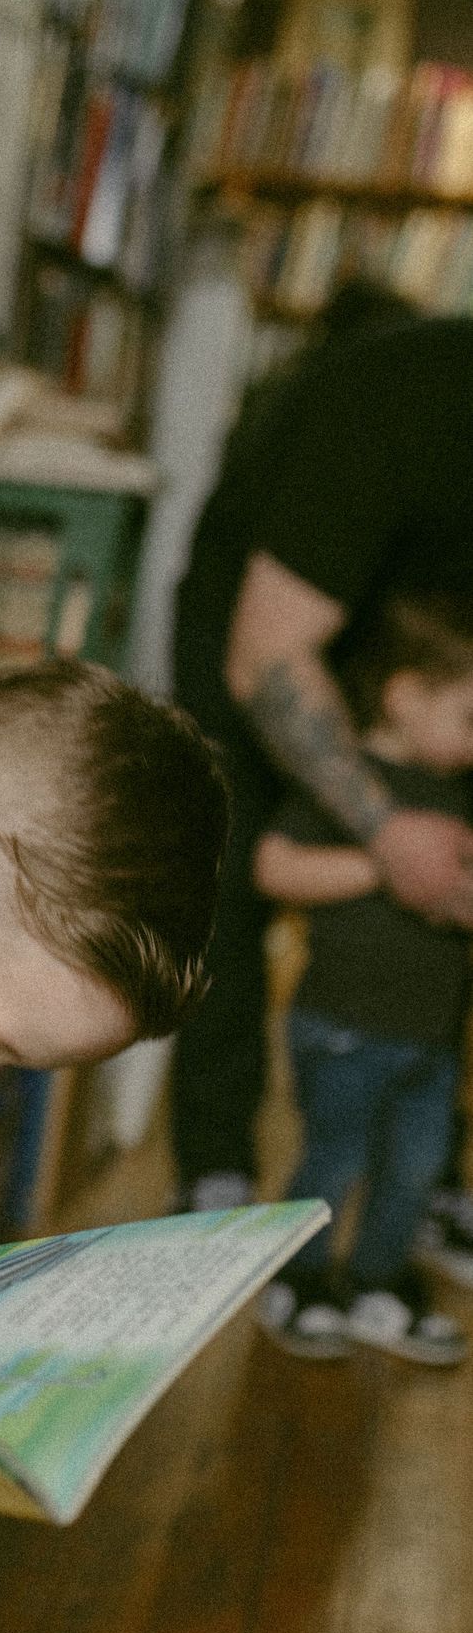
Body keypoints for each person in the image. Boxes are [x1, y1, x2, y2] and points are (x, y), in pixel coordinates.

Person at [166, 285, 473, 1224]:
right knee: (228, 872)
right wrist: (385, 833)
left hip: (433, 645)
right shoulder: (396, 408)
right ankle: (215, 1164)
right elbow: (267, 658)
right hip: (267, 636)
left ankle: (424, 1176)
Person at [253, 589, 473, 1367]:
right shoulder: (351, 787)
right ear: (405, 696)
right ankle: (300, 1280)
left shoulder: (462, 795)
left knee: (414, 1170)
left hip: (431, 1037)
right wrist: (384, 866)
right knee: (332, 1161)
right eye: (470, 716)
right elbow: (274, 866)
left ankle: (379, 1280)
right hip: (344, 1025)